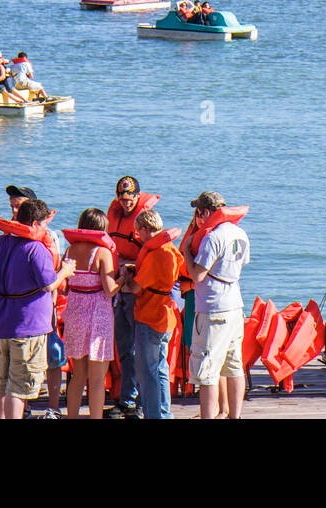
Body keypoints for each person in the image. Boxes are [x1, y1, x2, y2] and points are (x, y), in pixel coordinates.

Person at [0, 198, 77, 420]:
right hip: (27, 328)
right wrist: (66, 271)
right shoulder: (35, 249)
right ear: (34, 224)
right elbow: (49, 284)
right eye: (43, 224)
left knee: (1, 383)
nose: (45, 229)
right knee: (19, 388)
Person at [182, 191, 251, 419]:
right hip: (235, 306)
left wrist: (186, 253)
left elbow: (197, 275)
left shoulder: (212, 238)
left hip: (213, 309)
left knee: (207, 370)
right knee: (234, 366)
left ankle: (208, 417)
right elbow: (242, 265)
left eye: (197, 212)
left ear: (204, 213)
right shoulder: (240, 233)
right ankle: (235, 415)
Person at [62, 208, 119, 419]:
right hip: (98, 316)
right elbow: (109, 288)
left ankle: (72, 416)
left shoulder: (69, 251)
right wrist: (123, 279)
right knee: (97, 379)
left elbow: (65, 286)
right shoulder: (102, 252)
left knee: (78, 376)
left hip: (75, 313)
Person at [126, 209, 182, 419]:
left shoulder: (155, 255)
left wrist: (127, 277)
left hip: (150, 317)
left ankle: (153, 415)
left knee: (147, 372)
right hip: (167, 315)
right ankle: (165, 413)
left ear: (145, 229)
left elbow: (136, 289)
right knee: (161, 369)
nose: (138, 237)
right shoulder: (171, 250)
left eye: (138, 232)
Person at [105, 176, 145, 418]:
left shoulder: (144, 222)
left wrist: (129, 266)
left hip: (137, 293)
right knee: (124, 350)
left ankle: (142, 402)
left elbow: (150, 257)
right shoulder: (114, 215)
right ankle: (128, 400)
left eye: (130, 197)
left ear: (138, 196)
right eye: (122, 197)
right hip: (119, 291)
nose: (125, 201)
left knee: (140, 349)